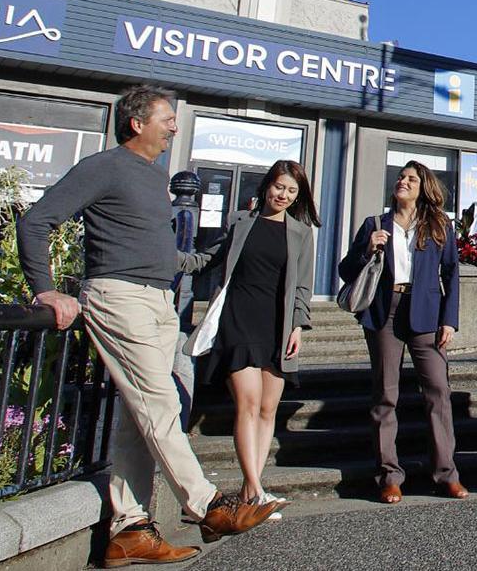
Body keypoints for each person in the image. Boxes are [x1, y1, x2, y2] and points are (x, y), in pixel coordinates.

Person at [18, 86, 281, 567]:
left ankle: (129, 529)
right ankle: (207, 505)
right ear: (137, 123)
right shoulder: (104, 167)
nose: (175, 127)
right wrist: (47, 289)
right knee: (160, 400)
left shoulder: (152, 176)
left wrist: (221, 250)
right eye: (167, 119)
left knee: (138, 420)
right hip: (119, 297)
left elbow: (161, 250)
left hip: (159, 300)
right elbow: (35, 222)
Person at [181, 159, 319, 515]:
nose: (284, 195)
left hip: (277, 324)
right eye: (279, 187)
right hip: (238, 320)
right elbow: (207, 259)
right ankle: (257, 490)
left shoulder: (301, 234)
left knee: (268, 408)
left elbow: (303, 286)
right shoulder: (240, 223)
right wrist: (165, 259)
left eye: (292, 190)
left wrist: (298, 327)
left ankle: (250, 490)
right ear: (266, 186)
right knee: (248, 402)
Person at [337, 161, 466, 504]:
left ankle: (445, 474)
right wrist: (367, 248)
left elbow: (452, 273)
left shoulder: (439, 224)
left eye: (411, 179)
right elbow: (345, 270)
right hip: (385, 311)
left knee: (438, 389)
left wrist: (449, 320)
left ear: (423, 186)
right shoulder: (375, 224)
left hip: (426, 312)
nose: (403, 182)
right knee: (385, 394)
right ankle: (389, 476)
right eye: (400, 177)